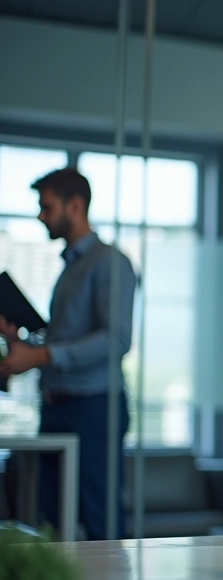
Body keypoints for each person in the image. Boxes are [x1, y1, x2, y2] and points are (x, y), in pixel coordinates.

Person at [0, 167, 137, 541]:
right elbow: (66, 340)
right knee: (52, 518)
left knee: (99, 517)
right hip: (57, 405)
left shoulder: (109, 262)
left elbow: (116, 340)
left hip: (93, 407)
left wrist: (40, 357)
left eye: (47, 207)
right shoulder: (69, 270)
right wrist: (20, 344)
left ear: (75, 206)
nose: (41, 216)